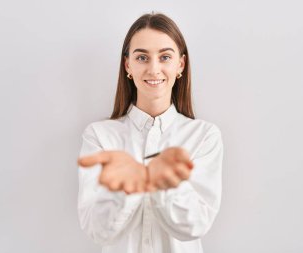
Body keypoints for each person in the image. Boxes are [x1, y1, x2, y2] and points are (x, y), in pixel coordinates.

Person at [77, 12, 224, 253]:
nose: (154, 69)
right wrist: (128, 187)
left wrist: (163, 181)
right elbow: (97, 229)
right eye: (142, 57)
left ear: (180, 64)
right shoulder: (100, 136)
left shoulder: (204, 136)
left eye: (165, 56)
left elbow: (195, 225)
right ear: (128, 65)